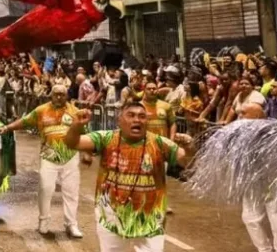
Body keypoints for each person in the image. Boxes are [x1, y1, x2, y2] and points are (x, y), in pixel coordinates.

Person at [64, 101, 192, 252]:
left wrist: (189, 147)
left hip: (151, 219)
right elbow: (73, 143)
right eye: (131, 115)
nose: (137, 120)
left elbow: (188, 162)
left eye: (142, 116)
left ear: (147, 122)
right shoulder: (106, 138)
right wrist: (76, 126)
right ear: (119, 120)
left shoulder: (159, 143)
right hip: (111, 216)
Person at [0, 84, 84, 238]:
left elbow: (85, 133)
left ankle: (71, 224)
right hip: (48, 156)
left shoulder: (76, 112)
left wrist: (88, 153)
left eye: (62, 94)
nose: (59, 97)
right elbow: (25, 121)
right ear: (51, 95)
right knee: (45, 188)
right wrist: (7, 128)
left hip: (70, 157)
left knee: (71, 192)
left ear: (67, 96)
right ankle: (43, 221)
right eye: (56, 94)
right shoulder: (41, 110)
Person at [235, 103, 277, 252]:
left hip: (273, 180)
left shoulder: (274, 131)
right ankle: (264, 249)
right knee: (249, 218)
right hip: (252, 181)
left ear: (256, 115)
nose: (240, 116)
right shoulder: (240, 131)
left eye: (244, 113)